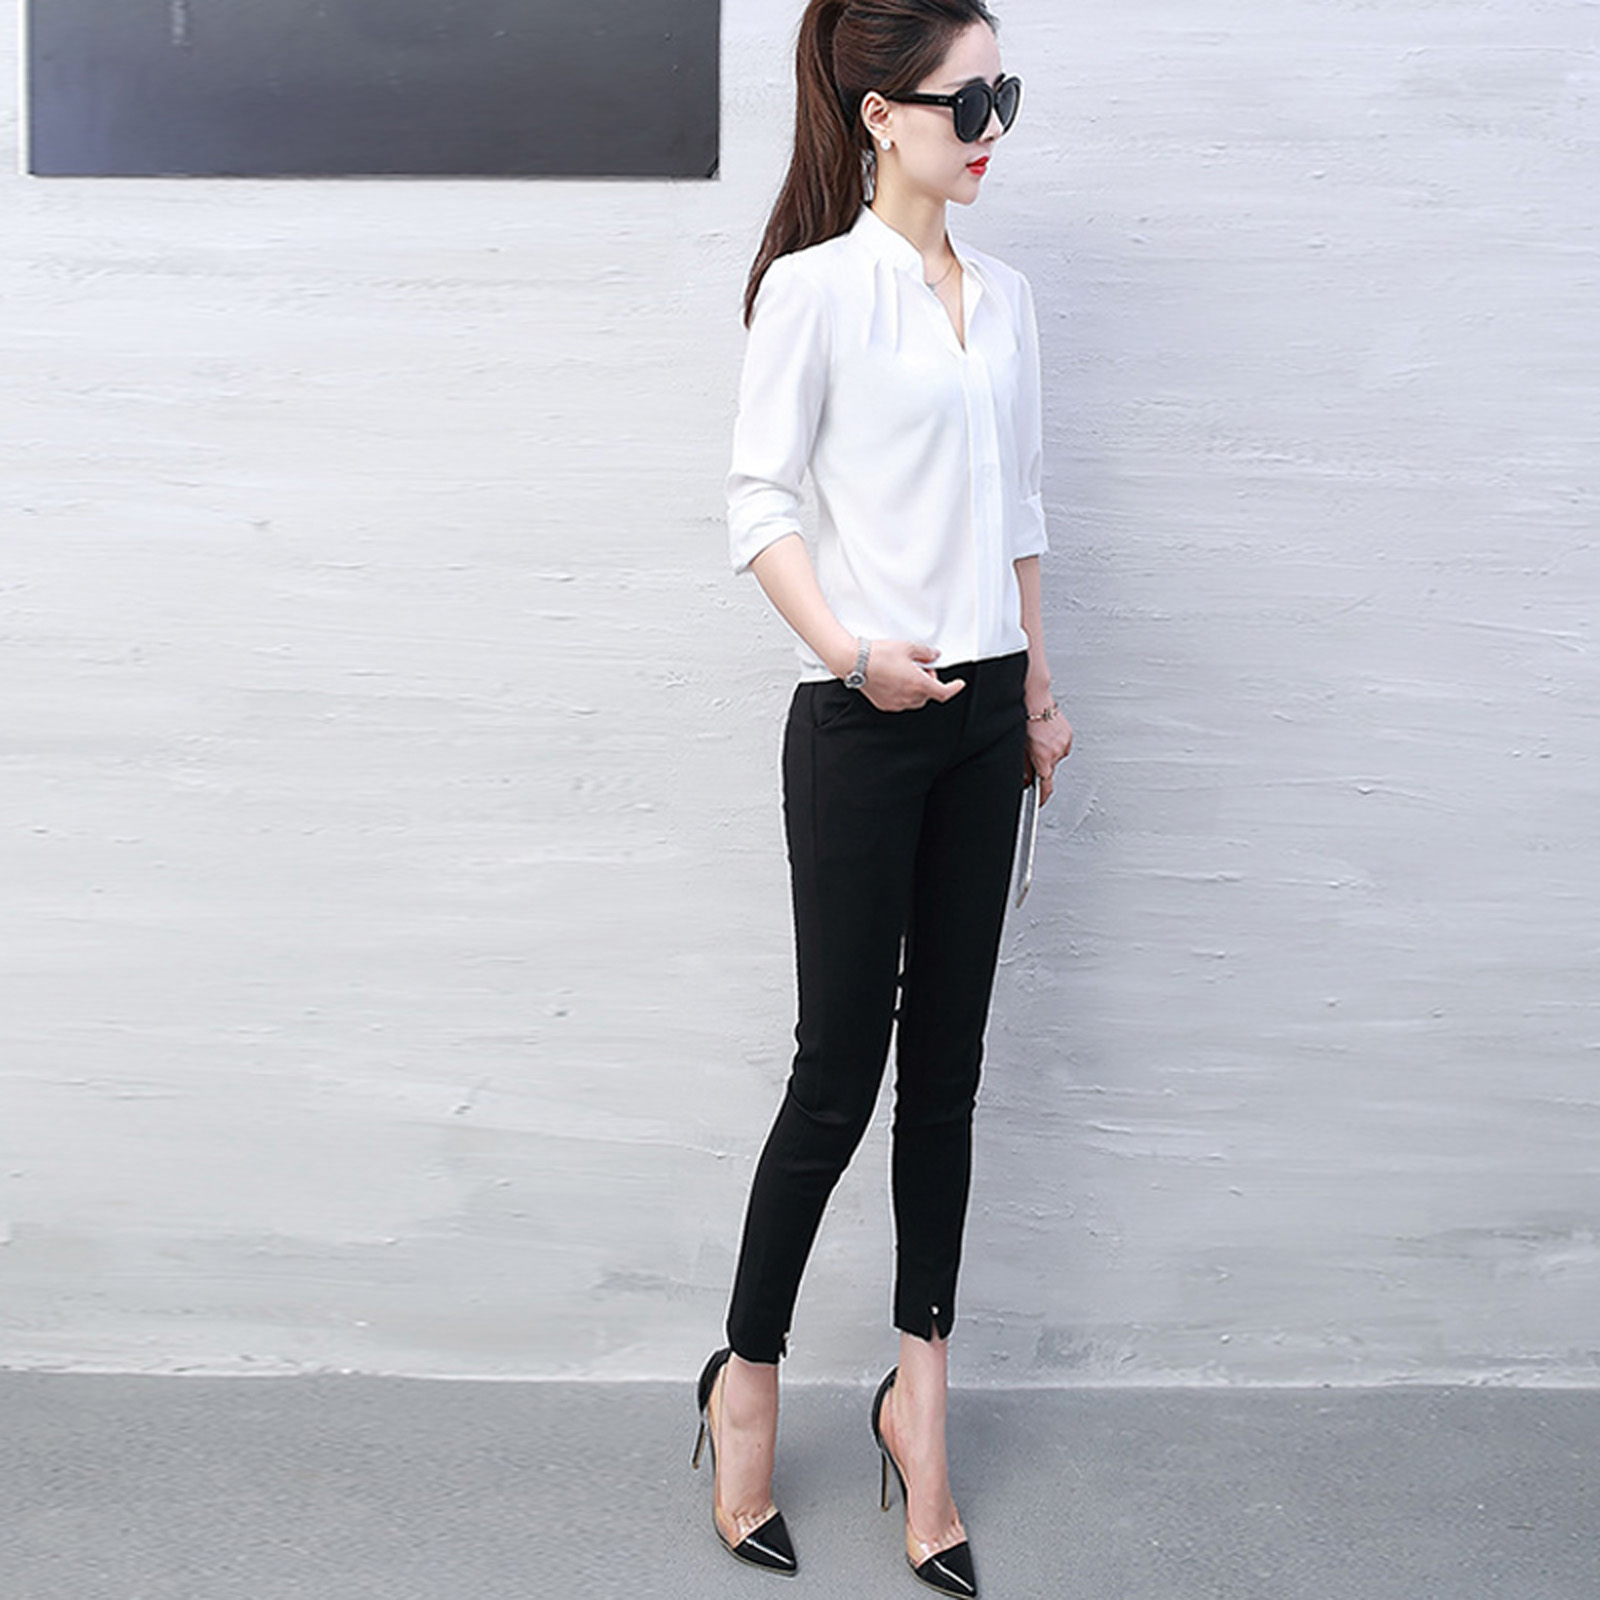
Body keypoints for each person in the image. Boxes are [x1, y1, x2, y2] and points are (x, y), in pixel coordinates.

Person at [692, 1, 1072, 1592]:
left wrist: (1034, 694)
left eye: (1004, 95)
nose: (991, 129)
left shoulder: (1010, 300)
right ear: (881, 116)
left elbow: (1021, 509)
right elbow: (758, 506)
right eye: (965, 101)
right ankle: (748, 1380)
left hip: (984, 726)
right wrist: (855, 654)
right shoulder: (816, 291)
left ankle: (923, 1406)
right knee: (838, 1075)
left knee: (949, 1080)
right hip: (860, 724)